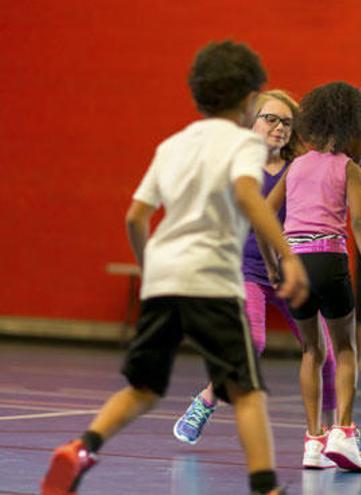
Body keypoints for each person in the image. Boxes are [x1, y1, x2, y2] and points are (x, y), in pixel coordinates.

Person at [40, 40, 309, 495]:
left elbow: (135, 217)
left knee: (143, 388)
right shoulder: (243, 144)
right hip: (211, 281)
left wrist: (151, 270)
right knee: (247, 391)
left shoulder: (172, 146)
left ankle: (80, 448)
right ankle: (266, 487)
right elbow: (247, 194)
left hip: (165, 279)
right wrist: (288, 254)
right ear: (249, 101)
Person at [171, 89, 361, 455]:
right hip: (248, 272)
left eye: (287, 122)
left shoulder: (301, 167)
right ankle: (207, 399)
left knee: (321, 352)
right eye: (271, 119)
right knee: (253, 343)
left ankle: (334, 433)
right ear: (253, 122)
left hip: (293, 273)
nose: (279, 128)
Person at [263, 81, 361, 472]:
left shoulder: (296, 165)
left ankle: (313, 442)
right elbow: (360, 223)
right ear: (354, 127)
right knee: (345, 349)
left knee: (311, 352)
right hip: (329, 261)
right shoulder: (350, 169)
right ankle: (343, 432)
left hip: (293, 264)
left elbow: (265, 213)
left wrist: (270, 262)